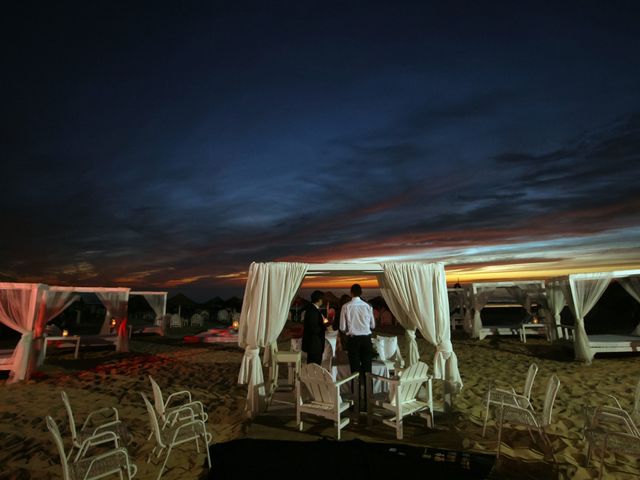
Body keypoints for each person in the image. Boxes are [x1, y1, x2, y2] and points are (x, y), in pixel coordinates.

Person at [339, 284, 375, 406]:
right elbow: (373, 326)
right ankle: (369, 399)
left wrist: (351, 329)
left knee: (355, 370)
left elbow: (342, 327)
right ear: (361, 293)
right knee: (367, 370)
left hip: (353, 341)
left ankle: (356, 400)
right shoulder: (368, 306)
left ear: (351, 293)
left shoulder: (346, 306)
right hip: (366, 340)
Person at [302, 290, 329, 365]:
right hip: (314, 344)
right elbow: (314, 328)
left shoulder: (313, 309)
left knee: (313, 365)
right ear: (319, 300)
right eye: (322, 299)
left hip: (314, 344)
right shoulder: (313, 311)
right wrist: (325, 328)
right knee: (314, 365)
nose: (323, 301)